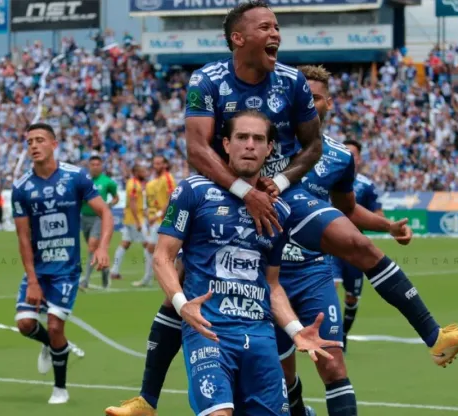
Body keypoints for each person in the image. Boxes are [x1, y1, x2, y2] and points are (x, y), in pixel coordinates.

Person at [105, 2, 323, 414]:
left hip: (276, 195)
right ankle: (147, 399)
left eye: (278, 26)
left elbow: (314, 145)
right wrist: (244, 190)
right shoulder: (207, 81)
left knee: (292, 268)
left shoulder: (292, 81)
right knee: (185, 281)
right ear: (238, 39)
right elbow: (195, 148)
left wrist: (277, 184)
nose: (276, 33)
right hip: (226, 191)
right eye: (266, 27)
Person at [273, 64, 458, 416]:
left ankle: (436, 338)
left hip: (313, 273)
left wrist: (388, 226)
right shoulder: (268, 141)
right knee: (284, 378)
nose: (309, 103)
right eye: (303, 97)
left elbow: (348, 210)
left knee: (333, 368)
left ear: (328, 104)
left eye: (317, 98)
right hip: (271, 274)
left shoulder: (340, 157)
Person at [153, 110, 339, 416]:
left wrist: (295, 330)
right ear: (226, 144)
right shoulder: (193, 191)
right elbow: (163, 256)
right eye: (241, 137)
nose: (249, 145)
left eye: (258, 139)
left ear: (269, 149)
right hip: (210, 333)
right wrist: (181, 303)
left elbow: (272, 283)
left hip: (261, 338)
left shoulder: (279, 211)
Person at [11, 123, 113, 404]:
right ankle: (52, 347)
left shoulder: (75, 177)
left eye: (40, 140)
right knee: (25, 324)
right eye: (29, 141)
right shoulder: (21, 188)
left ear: (53, 145)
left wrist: (103, 246)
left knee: (56, 326)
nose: (34, 145)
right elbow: (22, 238)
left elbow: (105, 213)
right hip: (38, 270)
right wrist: (32, 279)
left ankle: (60, 389)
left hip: (66, 270)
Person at [333, 139, 382, 352]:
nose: (349, 156)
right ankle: (329, 335)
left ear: (359, 158)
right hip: (330, 245)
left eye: (353, 153)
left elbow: (378, 215)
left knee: (351, 298)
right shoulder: (328, 179)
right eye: (346, 152)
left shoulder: (366, 186)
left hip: (354, 248)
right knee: (329, 288)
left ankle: (343, 334)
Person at [134, 156, 177, 288]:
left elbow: (172, 197)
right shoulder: (154, 181)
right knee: (154, 249)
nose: (156, 165)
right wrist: (149, 213)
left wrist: (158, 214)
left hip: (166, 220)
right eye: (154, 163)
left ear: (164, 165)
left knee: (158, 249)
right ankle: (156, 277)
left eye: (159, 163)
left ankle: (167, 278)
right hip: (156, 221)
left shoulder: (168, 178)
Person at [80, 155, 119, 289]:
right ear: (89, 166)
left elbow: (116, 198)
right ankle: (105, 269)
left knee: (92, 246)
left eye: (98, 164)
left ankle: (85, 279)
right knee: (95, 249)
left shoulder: (108, 182)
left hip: (99, 217)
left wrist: (108, 206)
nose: (95, 167)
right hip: (84, 217)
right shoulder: (83, 180)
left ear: (101, 166)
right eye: (93, 164)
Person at [109, 164, 148, 281]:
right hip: (134, 220)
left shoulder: (132, 183)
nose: (145, 173)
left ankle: (114, 271)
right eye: (143, 171)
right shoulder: (134, 184)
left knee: (125, 243)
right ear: (137, 173)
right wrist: (138, 221)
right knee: (148, 244)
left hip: (130, 219)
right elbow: (132, 203)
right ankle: (151, 273)